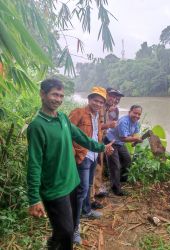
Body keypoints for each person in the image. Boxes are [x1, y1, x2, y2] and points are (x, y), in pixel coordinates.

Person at [27, 79, 114, 250]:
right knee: (67, 233)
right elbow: (34, 163)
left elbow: (82, 138)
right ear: (42, 94)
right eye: (54, 94)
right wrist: (34, 198)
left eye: (61, 96)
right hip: (54, 188)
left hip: (72, 182)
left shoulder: (63, 118)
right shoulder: (37, 126)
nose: (58, 99)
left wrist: (101, 146)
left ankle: (52, 244)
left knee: (69, 224)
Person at [68, 87, 108, 244]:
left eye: (101, 102)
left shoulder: (98, 116)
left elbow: (96, 136)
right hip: (82, 156)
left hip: (93, 156)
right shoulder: (78, 112)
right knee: (81, 190)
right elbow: (67, 132)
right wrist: (75, 152)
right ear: (89, 99)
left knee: (88, 186)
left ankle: (86, 211)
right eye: (95, 100)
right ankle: (74, 228)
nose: (98, 104)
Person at [105, 105, 143, 196]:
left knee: (127, 160)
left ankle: (121, 179)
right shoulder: (124, 121)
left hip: (120, 143)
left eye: (139, 114)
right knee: (115, 165)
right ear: (129, 112)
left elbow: (135, 134)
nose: (137, 116)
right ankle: (115, 188)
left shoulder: (136, 122)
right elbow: (123, 138)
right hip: (111, 141)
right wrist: (136, 139)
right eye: (135, 113)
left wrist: (137, 138)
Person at [93, 88, 124, 199]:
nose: (114, 99)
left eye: (116, 97)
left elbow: (111, 124)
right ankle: (92, 194)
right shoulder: (99, 108)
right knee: (94, 165)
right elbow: (94, 126)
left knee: (99, 165)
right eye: (111, 96)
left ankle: (96, 190)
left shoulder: (109, 109)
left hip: (102, 139)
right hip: (93, 141)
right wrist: (108, 126)